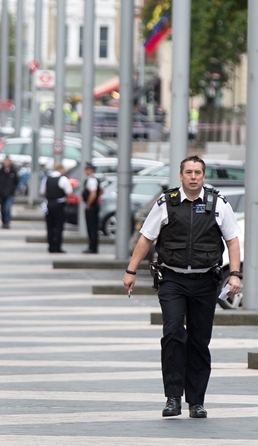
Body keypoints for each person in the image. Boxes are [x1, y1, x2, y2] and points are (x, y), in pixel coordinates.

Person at [122, 155, 241, 419]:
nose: (193, 176)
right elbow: (146, 238)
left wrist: (234, 274)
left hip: (205, 282)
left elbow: (232, 240)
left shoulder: (217, 204)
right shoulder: (166, 203)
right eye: (188, 172)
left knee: (199, 341)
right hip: (172, 280)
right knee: (174, 334)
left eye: (198, 172)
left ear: (203, 176)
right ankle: (173, 398)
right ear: (181, 175)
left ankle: (196, 401)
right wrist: (131, 270)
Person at [40, 159, 72, 253]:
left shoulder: (47, 178)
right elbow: (69, 193)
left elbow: (42, 192)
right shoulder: (63, 179)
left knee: (50, 226)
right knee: (59, 226)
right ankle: (57, 247)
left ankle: (50, 246)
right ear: (61, 169)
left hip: (49, 204)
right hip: (59, 204)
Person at [0, 156, 19, 229]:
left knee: (7, 208)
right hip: (1, 194)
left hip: (9, 193)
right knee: (2, 209)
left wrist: (13, 190)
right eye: (5, 161)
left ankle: (7, 222)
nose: (6, 163)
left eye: (8, 161)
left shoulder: (13, 172)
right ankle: (3, 221)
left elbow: (16, 182)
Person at [81, 162, 102, 254]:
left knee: (91, 227)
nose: (85, 171)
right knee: (93, 227)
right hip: (95, 205)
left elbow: (93, 194)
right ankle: (93, 246)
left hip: (92, 207)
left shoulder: (91, 180)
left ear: (91, 170)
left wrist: (88, 204)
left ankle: (92, 247)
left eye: (87, 169)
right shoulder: (96, 179)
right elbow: (101, 191)